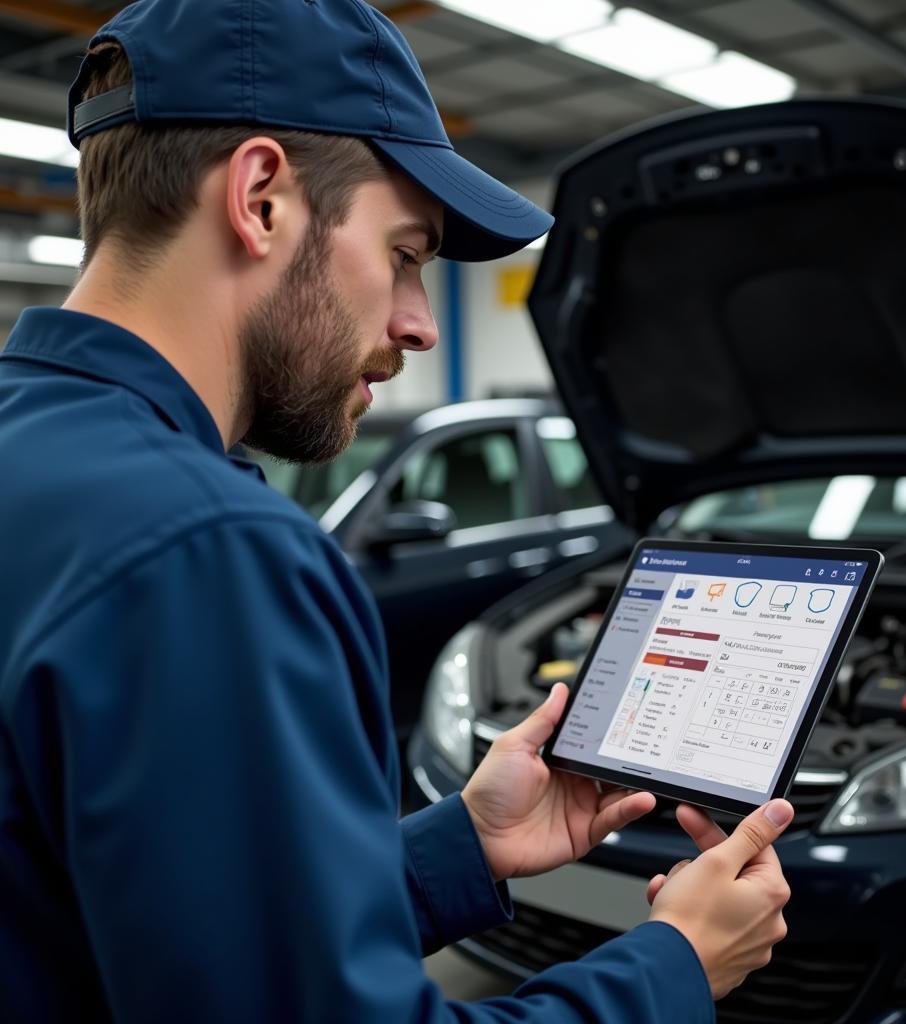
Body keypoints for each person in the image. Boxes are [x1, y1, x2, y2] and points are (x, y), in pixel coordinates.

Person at [0, 1, 793, 1021]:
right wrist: (675, 963)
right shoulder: (209, 551)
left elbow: (156, 934)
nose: (419, 323)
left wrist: (459, 845)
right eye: (408, 251)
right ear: (261, 199)